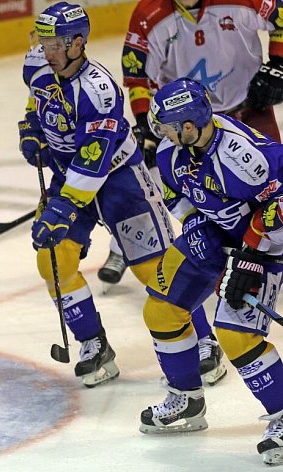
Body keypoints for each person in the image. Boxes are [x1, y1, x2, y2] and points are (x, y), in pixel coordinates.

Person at [19, 2, 225, 388]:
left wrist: (63, 205)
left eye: (55, 44)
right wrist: (30, 129)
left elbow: (92, 159)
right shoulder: (38, 65)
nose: (46, 51)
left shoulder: (98, 90)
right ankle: (94, 344)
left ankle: (202, 342)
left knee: (154, 269)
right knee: (53, 262)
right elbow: (36, 101)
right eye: (43, 42)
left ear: (78, 43)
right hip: (70, 176)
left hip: (118, 181)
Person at [141, 77, 283, 465]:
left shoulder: (246, 157)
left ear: (189, 126)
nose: (163, 135)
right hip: (215, 232)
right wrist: (195, 227)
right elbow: (177, 197)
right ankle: (186, 399)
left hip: (270, 243)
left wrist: (251, 258)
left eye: (169, 127)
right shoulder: (173, 153)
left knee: (235, 335)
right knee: (161, 309)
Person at [101, 0, 283, 289]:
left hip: (249, 106)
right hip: (185, 125)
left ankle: (268, 253)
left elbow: (281, 14)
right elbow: (137, 77)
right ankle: (127, 245)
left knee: (273, 186)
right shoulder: (148, 14)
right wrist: (144, 123)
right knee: (181, 189)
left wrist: (278, 64)